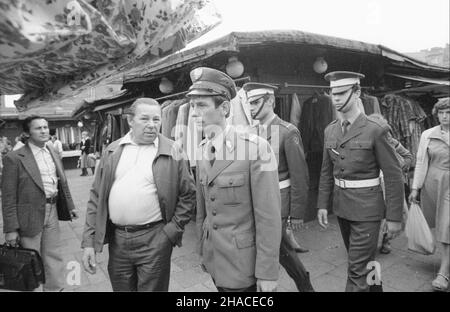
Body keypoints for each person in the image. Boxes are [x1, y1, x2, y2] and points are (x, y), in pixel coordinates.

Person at [81, 98, 196, 292]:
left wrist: (171, 231)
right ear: (130, 121)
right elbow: (96, 198)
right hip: (118, 240)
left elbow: (188, 195)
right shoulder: (112, 150)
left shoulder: (173, 150)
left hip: (155, 239)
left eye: (156, 119)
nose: (152, 125)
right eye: (145, 119)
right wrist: (89, 242)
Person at [190, 67, 282, 292]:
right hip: (214, 260)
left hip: (244, 265)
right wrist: (203, 250)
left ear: (224, 108)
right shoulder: (203, 150)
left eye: (201, 105)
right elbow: (202, 211)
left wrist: (267, 273)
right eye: (192, 106)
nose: (193, 113)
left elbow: (268, 217)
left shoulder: (256, 149)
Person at [317, 71, 404, 292]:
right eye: (332, 93)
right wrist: (321, 205)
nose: (335, 98)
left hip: (368, 210)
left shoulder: (376, 130)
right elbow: (326, 171)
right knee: (365, 264)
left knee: (356, 271)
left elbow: (393, 176)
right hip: (342, 208)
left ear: (357, 92)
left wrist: (394, 217)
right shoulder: (331, 130)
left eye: (341, 93)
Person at [243, 82, 314, 292]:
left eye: (256, 102)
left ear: (271, 101)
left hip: (280, 202)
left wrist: (297, 213)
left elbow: (300, 175)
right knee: (280, 249)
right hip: (257, 200)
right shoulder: (251, 133)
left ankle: (303, 285)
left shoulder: (287, 132)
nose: (252, 108)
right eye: (249, 104)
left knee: (277, 248)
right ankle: (304, 284)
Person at [1, 115, 79, 291]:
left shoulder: (51, 150)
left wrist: (70, 205)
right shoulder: (14, 158)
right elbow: (8, 197)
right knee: (30, 258)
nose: (44, 131)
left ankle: (54, 288)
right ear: (27, 133)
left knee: (53, 254)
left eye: (45, 127)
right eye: (38, 128)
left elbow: (61, 181)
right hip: (28, 215)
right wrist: (11, 229)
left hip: (52, 210)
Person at [409, 98, 450, 292]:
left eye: (448, 112)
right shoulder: (427, 134)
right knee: (441, 225)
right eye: (441, 113)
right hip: (433, 184)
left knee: (446, 224)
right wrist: (415, 188)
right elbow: (420, 162)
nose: (444, 116)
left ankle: (443, 273)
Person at [369, 113, 412, 254]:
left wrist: (398, 166)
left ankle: (386, 240)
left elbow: (408, 156)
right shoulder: (364, 143)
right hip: (373, 186)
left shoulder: (390, 141)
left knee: (391, 213)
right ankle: (370, 242)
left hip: (389, 185)